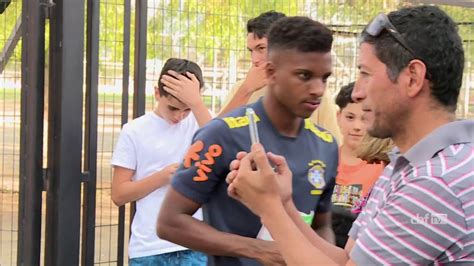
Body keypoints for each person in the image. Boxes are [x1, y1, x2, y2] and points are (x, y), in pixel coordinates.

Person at [226, 5, 473, 265]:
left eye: (365, 74)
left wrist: (269, 210)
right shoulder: (407, 164)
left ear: (412, 78)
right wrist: (283, 204)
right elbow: (345, 259)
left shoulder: (436, 182)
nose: (356, 93)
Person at [157, 16, 339, 266]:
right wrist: (259, 250)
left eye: (324, 77)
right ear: (271, 72)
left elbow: (322, 226)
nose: (318, 88)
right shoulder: (221, 134)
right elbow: (169, 222)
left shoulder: (326, 145)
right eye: (304, 75)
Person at [111, 58, 211, 265]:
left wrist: (197, 104)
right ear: (157, 93)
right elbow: (119, 195)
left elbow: (223, 146)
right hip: (149, 248)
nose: (179, 116)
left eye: (186, 109)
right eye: (173, 108)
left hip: (196, 244)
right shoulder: (134, 131)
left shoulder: (202, 123)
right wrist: (162, 177)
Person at [219, 11, 343, 144]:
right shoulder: (242, 88)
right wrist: (245, 90)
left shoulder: (315, 93)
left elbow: (334, 146)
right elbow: (216, 135)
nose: (254, 59)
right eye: (251, 51)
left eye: (261, 48)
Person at [331, 82, 385, 247]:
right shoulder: (322, 159)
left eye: (365, 119)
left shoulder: (383, 168)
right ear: (338, 117)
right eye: (350, 117)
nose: (357, 126)